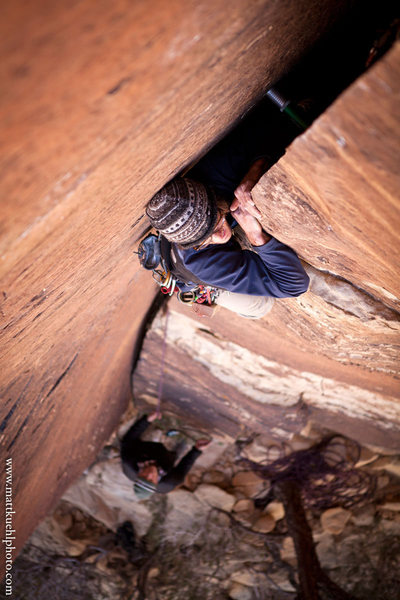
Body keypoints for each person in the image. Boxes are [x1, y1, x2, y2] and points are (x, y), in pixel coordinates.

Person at [145, 101, 309, 319]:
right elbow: (293, 285)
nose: (220, 235)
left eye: (215, 221)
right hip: (193, 275)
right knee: (261, 308)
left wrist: (256, 168)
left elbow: (273, 121)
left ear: (210, 197)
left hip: (180, 253)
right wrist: (255, 236)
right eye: (204, 240)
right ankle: (211, 292)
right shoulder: (203, 262)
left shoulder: (218, 170)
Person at [121, 411, 209, 499]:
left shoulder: (128, 462)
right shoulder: (170, 482)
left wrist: (146, 420)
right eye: (151, 480)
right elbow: (183, 467)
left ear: (138, 475)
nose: (150, 474)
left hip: (148, 448)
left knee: (155, 437)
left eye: (144, 476)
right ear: (156, 483)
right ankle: (180, 445)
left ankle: (161, 432)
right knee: (176, 453)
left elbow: (129, 439)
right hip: (166, 460)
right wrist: (196, 450)